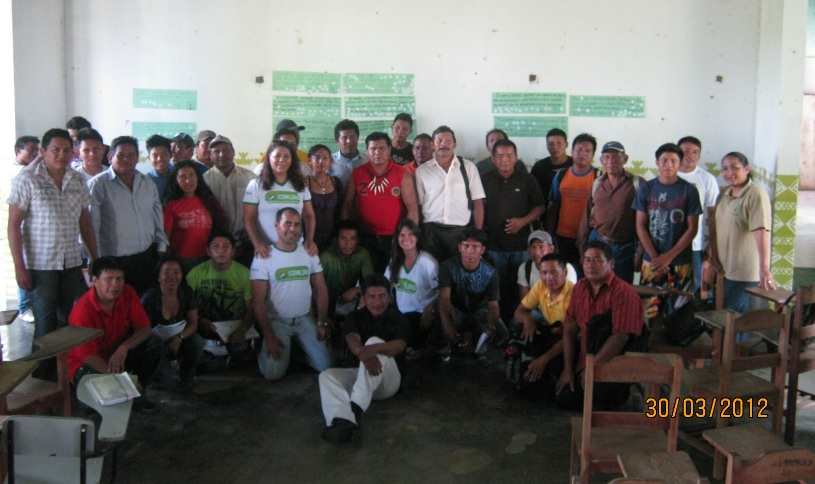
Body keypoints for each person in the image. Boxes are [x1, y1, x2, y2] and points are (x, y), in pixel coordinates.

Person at [8, 128, 99, 350]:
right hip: (41, 266)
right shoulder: (27, 180)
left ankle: (62, 377)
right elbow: (13, 225)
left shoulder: (76, 179)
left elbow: (85, 222)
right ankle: (42, 377)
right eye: (55, 150)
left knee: (66, 322)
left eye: (67, 150)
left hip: (71, 263)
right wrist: (20, 268)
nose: (62, 155)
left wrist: (95, 258)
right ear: (43, 151)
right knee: (44, 325)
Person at [318, 274, 412, 443]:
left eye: (382, 296)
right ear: (363, 297)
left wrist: (371, 350)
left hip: (387, 383)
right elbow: (352, 339)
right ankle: (342, 423)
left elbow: (399, 345)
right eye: (371, 296)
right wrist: (365, 355)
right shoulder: (354, 317)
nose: (377, 302)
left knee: (375, 342)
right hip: (361, 378)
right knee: (326, 376)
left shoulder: (399, 318)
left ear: (390, 297)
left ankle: (354, 411)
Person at [555, 240, 644, 410]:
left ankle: (620, 398)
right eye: (587, 260)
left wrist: (590, 370)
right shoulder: (580, 287)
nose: (590, 265)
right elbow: (569, 329)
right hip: (584, 355)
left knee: (568, 398)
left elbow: (620, 337)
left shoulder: (623, 292)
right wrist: (568, 369)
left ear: (611, 264)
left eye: (597, 260)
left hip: (611, 363)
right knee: (547, 375)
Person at [68, 257, 162, 412]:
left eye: (119, 279)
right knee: (100, 403)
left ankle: (137, 389)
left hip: (117, 356)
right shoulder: (82, 311)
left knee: (154, 343)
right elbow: (89, 356)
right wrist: (122, 379)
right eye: (108, 279)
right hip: (88, 364)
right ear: (95, 281)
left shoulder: (128, 292)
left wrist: (124, 348)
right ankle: (126, 389)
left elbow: (144, 328)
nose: (115, 285)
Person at [250, 208, 333, 380]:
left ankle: (299, 350)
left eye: (297, 224)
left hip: (304, 318)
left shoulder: (309, 252)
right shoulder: (264, 256)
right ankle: (262, 347)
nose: (292, 229)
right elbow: (257, 300)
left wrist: (321, 321)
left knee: (327, 366)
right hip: (277, 321)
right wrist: (269, 335)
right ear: (276, 225)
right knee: (273, 374)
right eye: (287, 223)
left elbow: (321, 288)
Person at [89, 135, 168, 295]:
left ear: (137, 158)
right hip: (113, 261)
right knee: (116, 306)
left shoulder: (146, 182)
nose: (126, 159)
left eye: (131, 155)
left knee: (143, 303)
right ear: (110, 157)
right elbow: (91, 225)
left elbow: (157, 216)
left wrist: (161, 244)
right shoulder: (97, 185)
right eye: (120, 155)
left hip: (146, 257)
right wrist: (94, 260)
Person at [481, 138, 545, 323]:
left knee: (521, 289)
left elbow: (539, 207)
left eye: (509, 156)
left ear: (516, 157)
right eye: (500, 156)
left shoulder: (527, 179)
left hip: (521, 246)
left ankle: (519, 323)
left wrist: (522, 221)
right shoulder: (484, 179)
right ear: (492, 158)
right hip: (494, 245)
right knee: (497, 289)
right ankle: (498, 325)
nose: (505, 160)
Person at [634, 143, 701, 315]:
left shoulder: (689, 190)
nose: (668, 165)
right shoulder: (646, 188)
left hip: (680, 261)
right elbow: (640, 225)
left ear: (680, 164)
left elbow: (692, 229)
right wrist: (657, 257)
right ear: (657, 162)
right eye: (664, 160)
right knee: (649, 309)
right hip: (652, 260)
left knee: (679, 310)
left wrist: (669, 257)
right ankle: (649, 340)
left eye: (673, 161)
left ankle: (675, 340)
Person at [341, 131, 419, 272]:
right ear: (367, 152)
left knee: (394, 277)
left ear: (389, 149)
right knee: (369, 277)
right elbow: (347, 204)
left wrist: (409, 235)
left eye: (382, 148)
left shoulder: (402, 173)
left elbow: (412, 208)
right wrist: (344, 232)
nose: (377, 152)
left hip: (395, 236)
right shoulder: (357, 173)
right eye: (373, 149)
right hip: (365, 236)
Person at [709, 152, 775, 313]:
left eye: (734, 168)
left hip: (743, 270)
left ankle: (736, 339)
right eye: (725, 169)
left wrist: (764, 269)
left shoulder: (755, 194)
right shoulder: (724, 194)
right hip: (725, 268)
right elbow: (715, 228)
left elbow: (761, 232)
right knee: (727, 313)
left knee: (732, 316)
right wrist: (714, 258)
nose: (729, 173)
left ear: (746, 169)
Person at [431, 228, 508, 356]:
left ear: (482, 250)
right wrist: (447, 324)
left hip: (479, 312)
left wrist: (490, 325)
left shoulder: (491, 272)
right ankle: (444, 350)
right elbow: (444, 296)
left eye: (475, 247)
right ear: (459, 247)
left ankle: (479, 341)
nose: (470, 251)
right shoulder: (447, 266)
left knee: (502, 333)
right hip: (456, 311)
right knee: (440, 315)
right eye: (466, 246)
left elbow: (493, 306)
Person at [415, 126, 486, 263]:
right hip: (431, 231)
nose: (443, 144)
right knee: (432, 272)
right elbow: (418, 205)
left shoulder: (468, 167)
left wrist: (477, 234)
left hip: (460, 232)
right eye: (439, 140)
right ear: (432, 145)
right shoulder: (422, 171)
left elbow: (478, 202)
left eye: (448, 140)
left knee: (458, 272)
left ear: (455, 144)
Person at [578, 141, 644, 283]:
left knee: (621, 288)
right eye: (606, 157)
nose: (610, 161)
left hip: (625, 247)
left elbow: (646, 222)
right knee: (595, 286)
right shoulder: (596, 183)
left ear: (625, 159)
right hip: (597, 242)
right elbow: (586, 217)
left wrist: (640, 253)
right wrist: (582, 248)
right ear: (601, 160)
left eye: (616, 157)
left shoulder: (638, 184)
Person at [510, 254, 574, 395]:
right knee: (519, 327)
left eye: (554, 272)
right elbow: (519, 311)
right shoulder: (541, 286)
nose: (548, 277)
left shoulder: (573, 295)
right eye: (544, 273)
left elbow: (571, 337)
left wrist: (544, 359)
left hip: (569, 341)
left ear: (565, 272)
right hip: (552, 333)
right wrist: (528, 320)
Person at [187, 233, 255, 364]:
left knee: (240, 357)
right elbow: (186, 307)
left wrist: (242, 330)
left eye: (226, 247)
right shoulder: (195, 273)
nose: (221, 251)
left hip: (234, 326)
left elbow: (251, 310)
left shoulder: (245, 274)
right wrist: (200, 321)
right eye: (216, 247)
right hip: (203, 324)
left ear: (233, 251)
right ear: (208, 251)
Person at [243, 140, 317, 259]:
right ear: (269, 158)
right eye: (277, 156)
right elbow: (248, 218)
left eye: (287, 156)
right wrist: (258, 244)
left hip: (296, 249)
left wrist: (309, 239)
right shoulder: (256, 185)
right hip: (267, 251)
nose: (282, 160)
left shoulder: (300, 186)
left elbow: (309, 215)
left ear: (292, 160)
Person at [140, 257, 205, 392]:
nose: (172, 277)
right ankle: (154, 376)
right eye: (166, 272)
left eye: (176, 272)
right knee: (166, 379)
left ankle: (186, 377)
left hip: (177, 341)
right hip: (154, 345)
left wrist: (179, 338)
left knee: (197, 341)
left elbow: (193, 323)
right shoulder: (149, 298)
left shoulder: (187, 293)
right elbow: (141, 330)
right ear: (158, 277)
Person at [544, 133, 599, 275]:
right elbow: (552, 208)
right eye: (579, 149)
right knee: (564, 277)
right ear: (572, 151)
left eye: (587, 151)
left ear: (593, 155)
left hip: (589, 238)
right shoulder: (561, 175)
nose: (583, 154)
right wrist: (549, 238)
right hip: (562, 237)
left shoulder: (599, 178)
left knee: (588, 277)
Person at [163, 160, 228, 273]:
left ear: (198, 176)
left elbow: (221, 224)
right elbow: (165, 238)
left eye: (191, 175)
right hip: (182, 261)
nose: (188, 180)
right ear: (176, 180)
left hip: (208, 257)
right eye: (182, 177)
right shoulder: (171, 206)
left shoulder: (209, 200)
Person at [202, 134, 257, 266]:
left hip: (245, 241)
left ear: (233, 152)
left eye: (226, 150)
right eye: (216, 151)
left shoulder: (250, 177)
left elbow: (259, 207)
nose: (222, 155)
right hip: (217, 246)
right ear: (210, 155)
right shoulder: (204, 180)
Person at [384, 219, 439, 349]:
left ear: (417, 238)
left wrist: (429, 308)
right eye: (402, 235)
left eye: (410, 235)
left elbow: (442, 291)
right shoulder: (395, 260)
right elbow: (385, 284)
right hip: (402, 312)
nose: (406, 238)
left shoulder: (427, 262)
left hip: (422, 314)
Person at [676, 136, 720, 292]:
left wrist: (711, 246)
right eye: (686, 151)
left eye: (695, 152)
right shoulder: (667, 175)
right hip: (667, 245)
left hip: (694, 245)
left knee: (692, 288)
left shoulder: (707, 179)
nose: (690, 155)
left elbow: (714, 216)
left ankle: (689, 317)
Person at [319, 220, 374, 318]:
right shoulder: (326, 257)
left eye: (352, 238)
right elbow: (316, 290)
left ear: (358, 241)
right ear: (336, 240)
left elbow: (371, 283)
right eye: (343, 238)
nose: (348, 244)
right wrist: (323, 318)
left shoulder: (362, 254)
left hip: (349, 301)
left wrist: (355, 290)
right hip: (326, 302)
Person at [517, 230, 578, 304]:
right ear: (528, 250)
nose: (537, 252)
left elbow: (570, 300)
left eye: (541, 247)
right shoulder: (524, 268)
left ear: (551, 249)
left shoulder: (566, 268)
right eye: (533, 247)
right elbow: (525, 303)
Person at [307, 144, 342, 252]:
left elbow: (339, 211)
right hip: (309, 237)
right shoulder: (304, 183)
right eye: (317, 157)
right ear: (309, 160)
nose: (321, 161)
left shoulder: (335, 182)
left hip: (331, 238)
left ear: (330, 161)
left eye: (325, 158)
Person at [531, 128, 573, 207]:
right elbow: (531, 193)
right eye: (551, 144)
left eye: (559, 143)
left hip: (569, 210)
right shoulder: (539, 167)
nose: (555, 147)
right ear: (547, 146)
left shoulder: (575, 165)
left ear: (566, 144)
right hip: (544, 212)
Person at [329, 119, 368, 186]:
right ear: (337, 141)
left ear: (358, 137)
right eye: (344, 138)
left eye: (352, 137)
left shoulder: (367, 160)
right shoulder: (330, 162)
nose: (349, 141)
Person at [146, 134, 173, 201]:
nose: (160, 159)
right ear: (149, 158)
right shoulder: (146, 182)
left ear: (170, 155)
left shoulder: (178, 174)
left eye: (164, 154)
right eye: (155, 155)